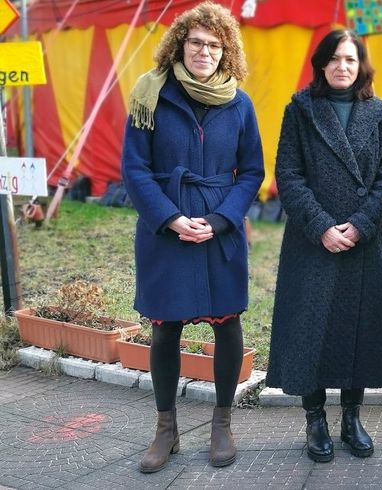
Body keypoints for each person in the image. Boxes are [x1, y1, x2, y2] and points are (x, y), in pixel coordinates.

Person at [121, 1, 264, 473]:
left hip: (220, 229)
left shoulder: (239, 103)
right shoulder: (150, 96)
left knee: (228, 324)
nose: (205, 51)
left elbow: (252, 172)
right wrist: (169, 217)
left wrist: (223, 219)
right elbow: (135, 169)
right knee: (165, 328)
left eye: (214, 45)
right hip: (166, 229)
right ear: (180, 44)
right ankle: (166, 428)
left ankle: (222, 422)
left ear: (227, 52)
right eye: (196, 42)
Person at [265, 29, 382, 464]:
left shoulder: (379, 113)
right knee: (312, 329)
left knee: (355, 327)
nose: (343, 66)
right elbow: (288, 174)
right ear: (321, 64)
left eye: (351, 59)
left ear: (361, 66)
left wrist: (360, 225)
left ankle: (352, 417)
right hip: (312, 239)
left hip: (362, 240)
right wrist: (323, 226)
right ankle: (315, 418)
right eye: (335, 59)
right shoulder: (300, 110)